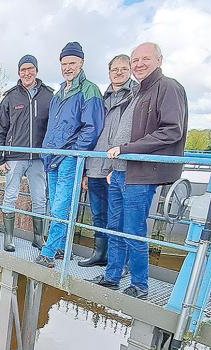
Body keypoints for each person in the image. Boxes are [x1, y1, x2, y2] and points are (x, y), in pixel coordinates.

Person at [96, 42, 187, 299]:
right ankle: (113, 275)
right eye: (135, 60)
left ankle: (139, 284)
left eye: (145, 59)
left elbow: (171, 130)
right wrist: (117, 165)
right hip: (122, 171)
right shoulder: (137, 92)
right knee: (114, 226)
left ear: (159, 60)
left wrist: (128, 150)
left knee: (134, 229)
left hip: (140, 173)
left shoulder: (168, 87)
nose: (138, 64)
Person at [35, 42, 104, 268]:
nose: (67, 67)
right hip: (52, 157)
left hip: (69, 157)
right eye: (64, 63)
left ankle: (48, 251)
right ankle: (62, 248)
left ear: (81, 63)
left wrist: (73, 153)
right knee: (56, 203)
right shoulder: (59, 93)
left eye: (72, 63)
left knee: (60, 206)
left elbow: (92, 128)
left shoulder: (89, 91)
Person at [80, 54, 138, 267]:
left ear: (130, 70)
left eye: (124, 68)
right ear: (109, 72)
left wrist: (119, 165)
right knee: (98, 214)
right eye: (115, 69)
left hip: (119, 168)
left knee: (120, 217)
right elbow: (92, 133)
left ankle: (120, 262)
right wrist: (86, 170)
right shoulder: (101, 99)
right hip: (96, 166)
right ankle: (100, 254)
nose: (119, 72)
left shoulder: (136, 96)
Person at [0, 55, 54, 252]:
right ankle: (8, 237)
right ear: (19, 72)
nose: (27, 73)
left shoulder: (49, 96)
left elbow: (54, 128)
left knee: (40, 198)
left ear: (36, 70)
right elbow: (0, 129)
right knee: (10, 195)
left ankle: (39, 238)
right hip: (15, 156)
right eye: (23, 70)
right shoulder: (10, 97)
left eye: (30, 69)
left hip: (38, 158)